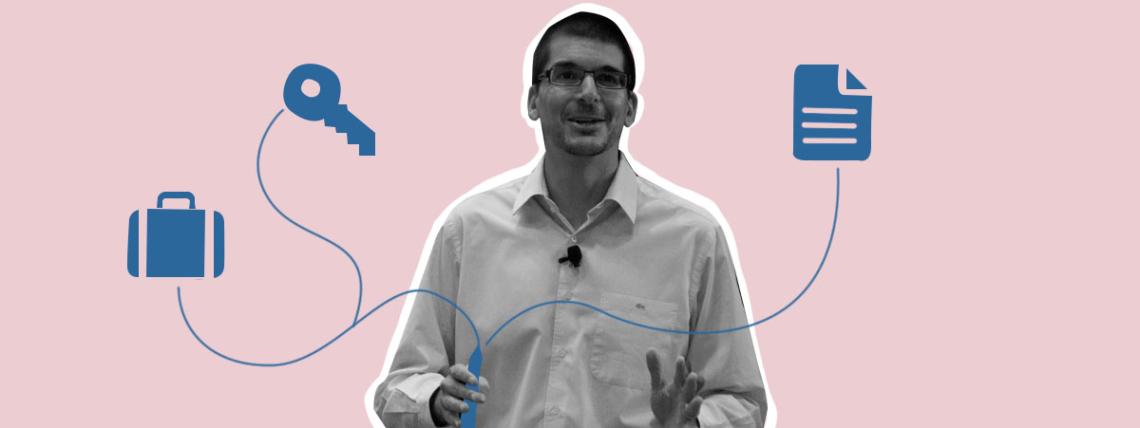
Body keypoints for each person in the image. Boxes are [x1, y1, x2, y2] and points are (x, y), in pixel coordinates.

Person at [372, 8, 769, 427]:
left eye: (609, 79)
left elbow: (743, 401)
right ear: (532, 101)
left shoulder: (693, 239)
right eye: (567, 75)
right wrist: (436, 402)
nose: (589, 93)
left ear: (630, 107)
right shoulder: (468, 230)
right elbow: (400, 386)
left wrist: (691, 424)